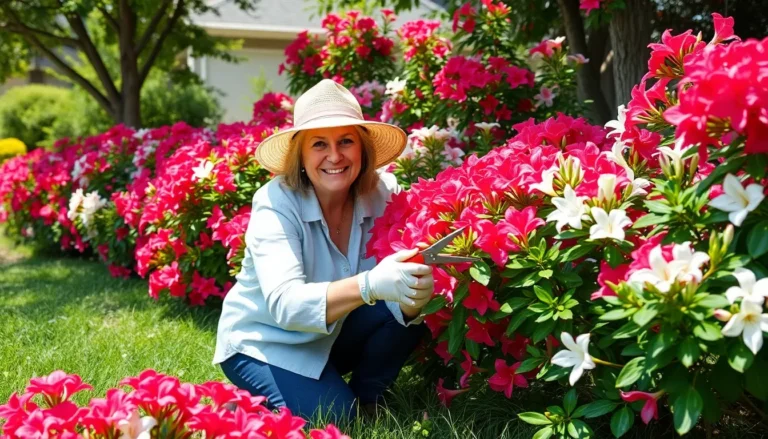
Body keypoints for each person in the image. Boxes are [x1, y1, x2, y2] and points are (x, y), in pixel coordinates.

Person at [213, 79, 434, 421]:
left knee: (408, 307)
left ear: (362, 148)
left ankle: (369, 399)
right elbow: (286, 305)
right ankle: (244, 406)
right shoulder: (275, 202)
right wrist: (370, 285)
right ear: (300, 155)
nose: (334, 156)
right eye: (319, 144)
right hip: (264, 343)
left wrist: (414, 293)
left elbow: (401, 291)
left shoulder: (384, 191)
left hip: (332, 334)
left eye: (346, 141)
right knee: (336, 418)